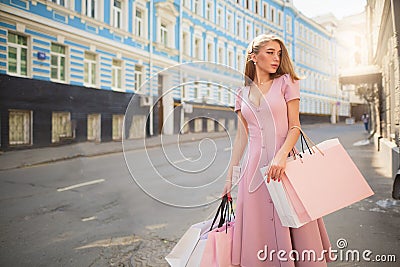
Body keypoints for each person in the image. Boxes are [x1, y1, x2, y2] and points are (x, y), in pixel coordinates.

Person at [223, 34, 332, 267]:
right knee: (258, 228)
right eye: (270, 52)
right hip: (253, 172)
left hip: (285, 166)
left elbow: (295, 127)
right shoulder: (241, 93)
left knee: (294, 226)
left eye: (279, 54)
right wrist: (230, 177)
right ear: (253, 56)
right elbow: (242, 136)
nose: (276, 58)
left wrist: (281, 156)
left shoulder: (287, 82)